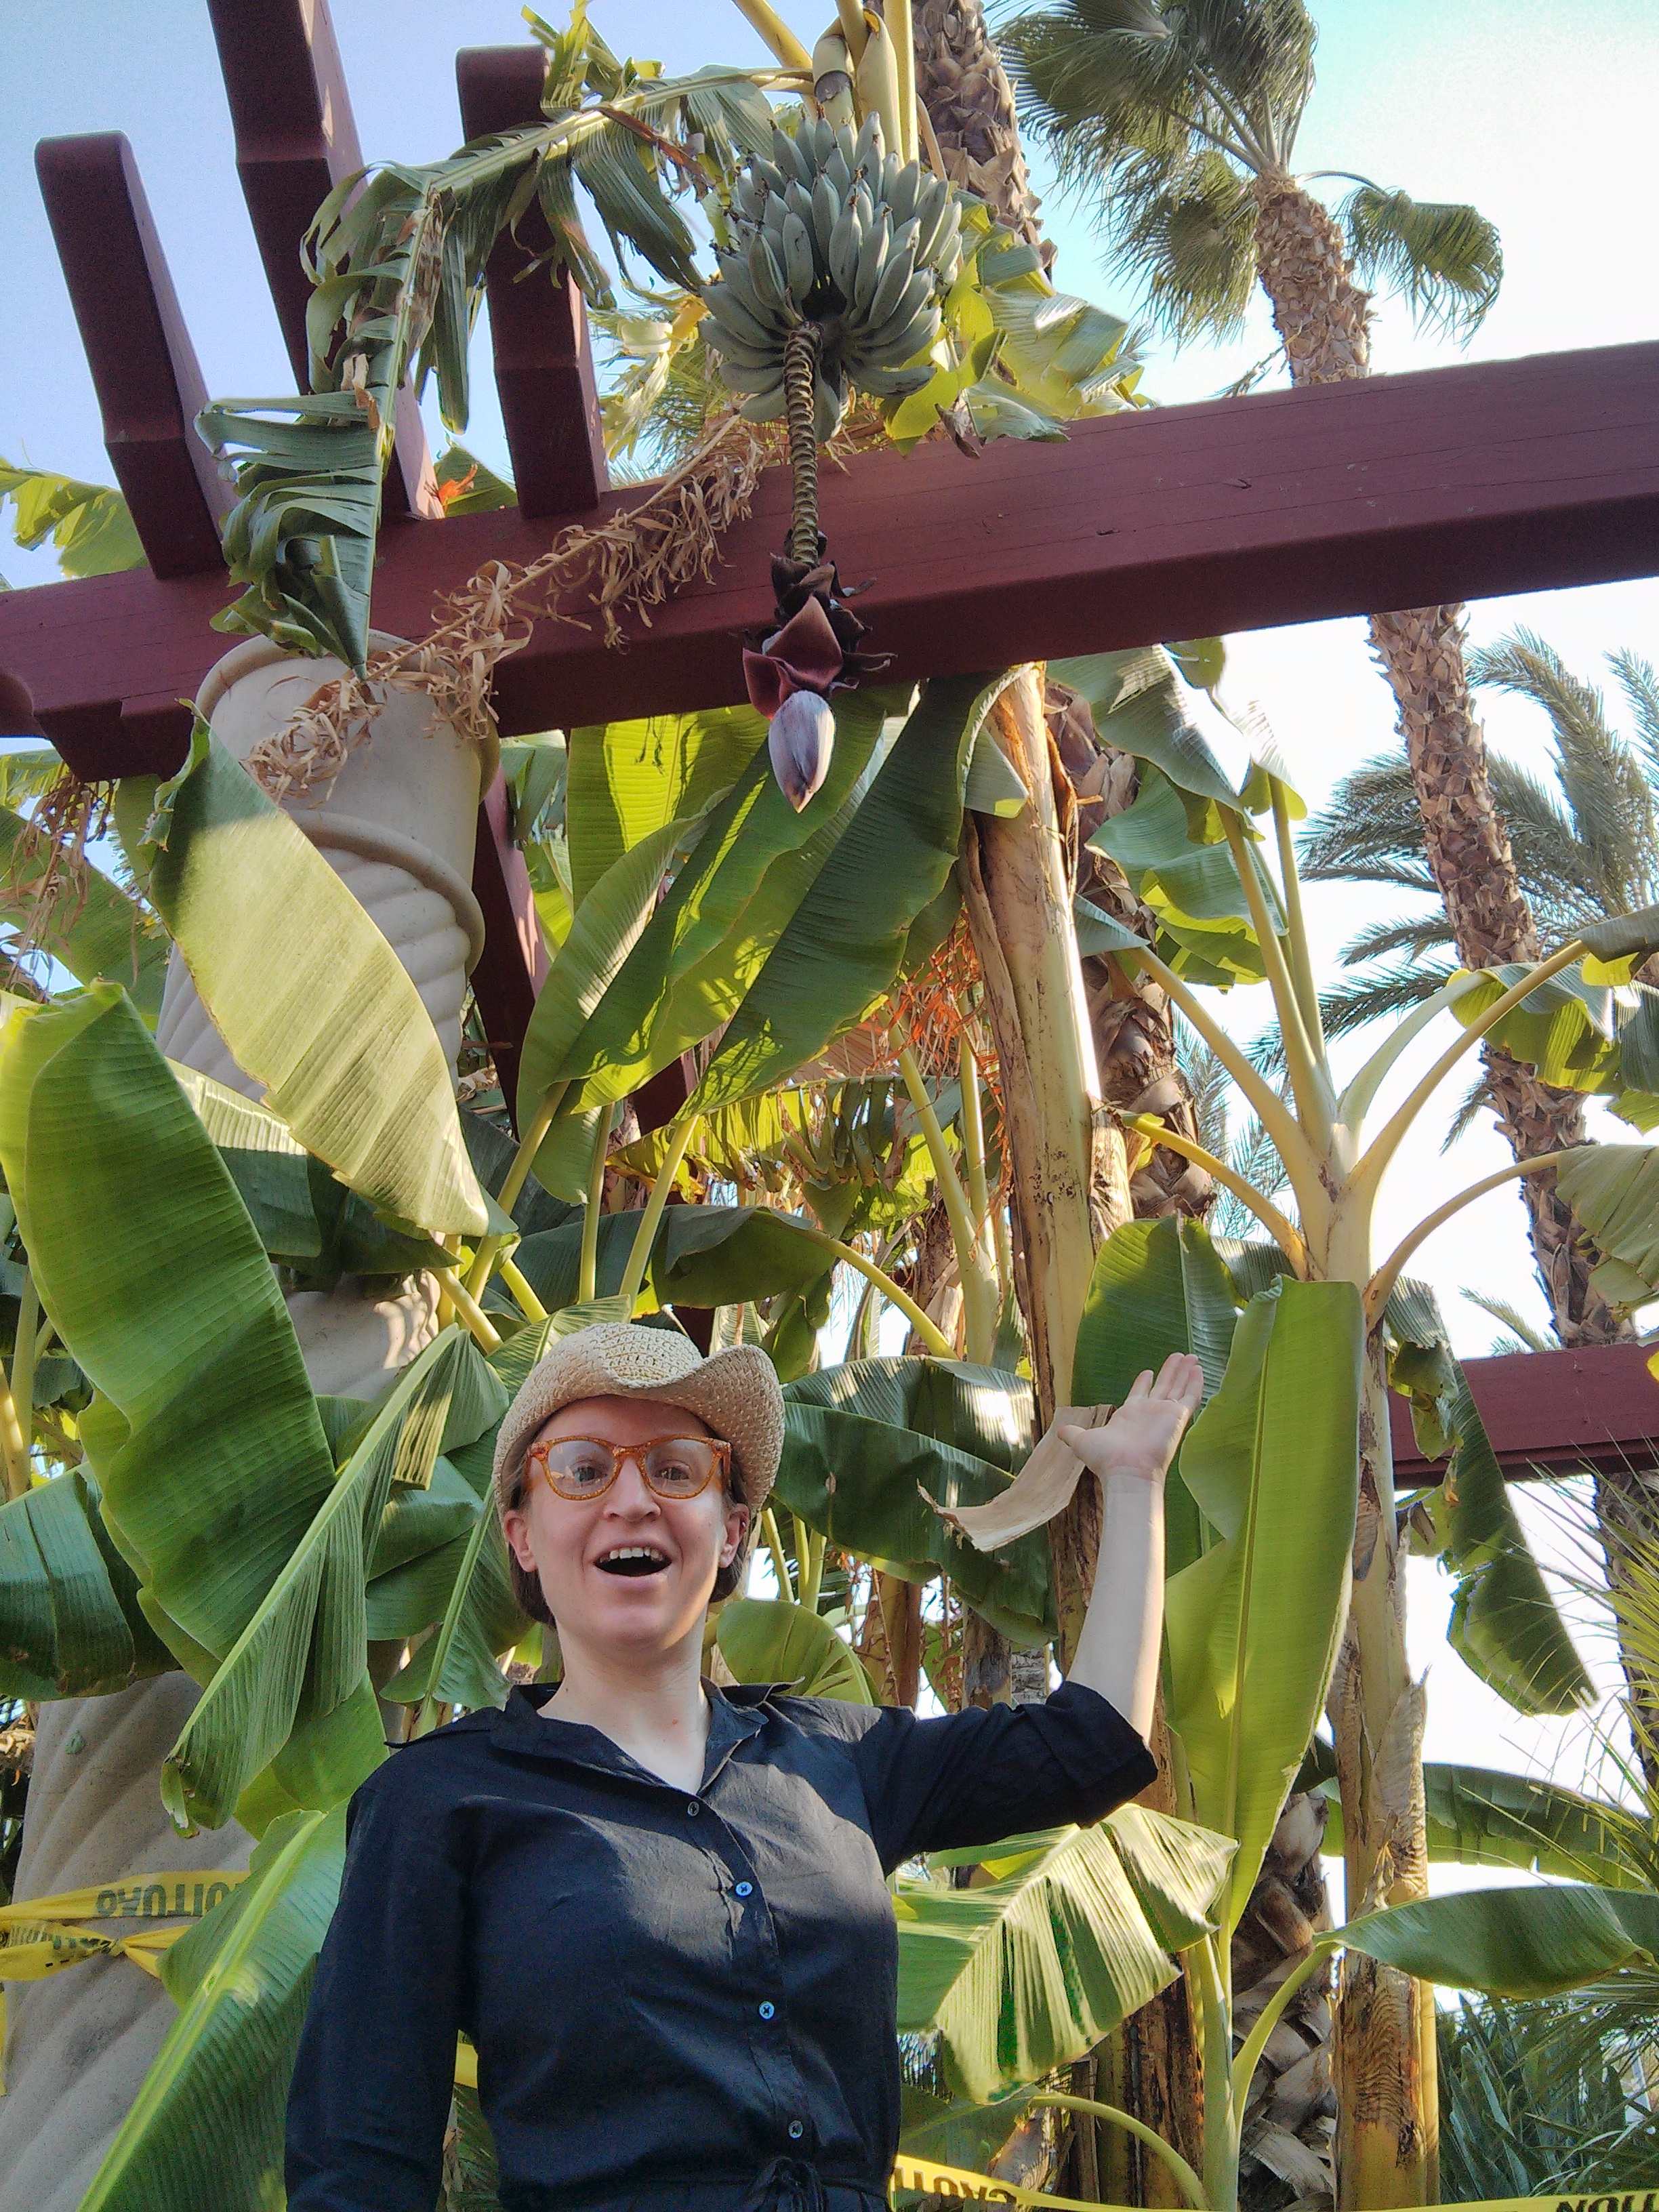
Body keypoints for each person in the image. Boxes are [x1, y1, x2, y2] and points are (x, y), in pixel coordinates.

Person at [285, 1319, 1203, 2212]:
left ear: (730, 1532)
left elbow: (1091, 1748)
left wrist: (1133, 1479)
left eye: (675, 1469)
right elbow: (359, 2161)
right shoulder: (437, 1798)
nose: (632, 1500)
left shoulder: (838, 1757)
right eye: (584, 1470)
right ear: (523, 1536)